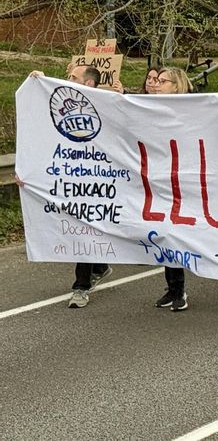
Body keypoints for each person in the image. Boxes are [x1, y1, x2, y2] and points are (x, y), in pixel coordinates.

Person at [35, 65, 116, 309]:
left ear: (88, 84)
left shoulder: (107, 103)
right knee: (81, 226)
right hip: (73, 176)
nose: (67, 79)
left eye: (72, 77)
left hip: (99, 176)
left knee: (86, 227)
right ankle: (99, 267)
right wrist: (39, 81)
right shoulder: (65, 103)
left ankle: (81, 287)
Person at [150, 66, 194, 311]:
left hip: (184, 179)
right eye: (156, 80)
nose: (156, 83)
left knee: (177, 234)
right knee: (165, 234)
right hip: (160, 180)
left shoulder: (192, 110)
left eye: (163, 81)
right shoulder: (148, 108)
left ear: (176, 86)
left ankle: (179, 290)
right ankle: (173, 288)